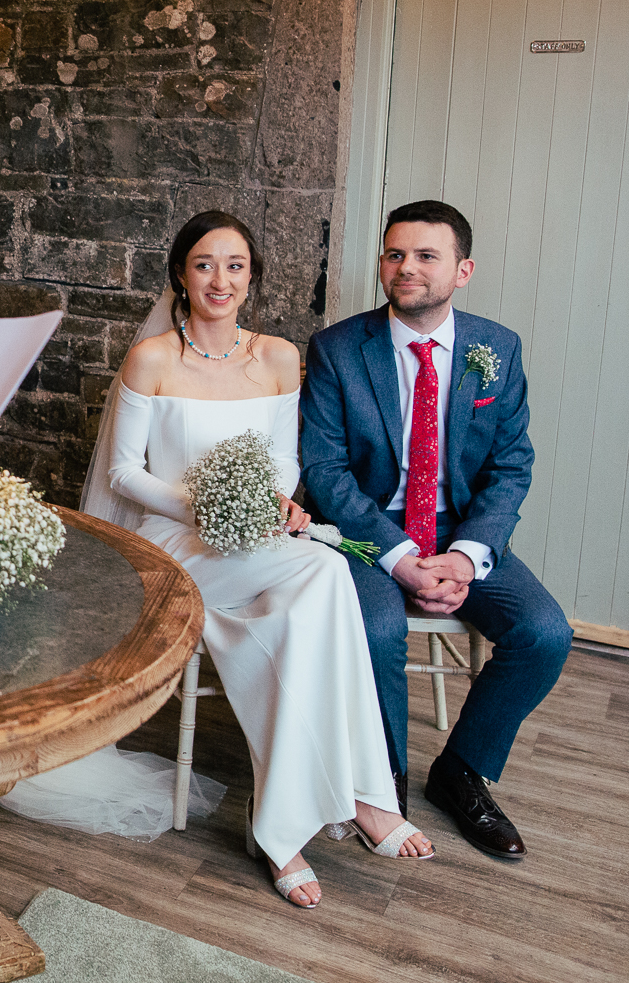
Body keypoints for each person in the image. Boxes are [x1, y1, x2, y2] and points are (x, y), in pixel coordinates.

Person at [79, 211, 431, 909]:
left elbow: (284, 459)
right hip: (175, 539)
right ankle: (360, 798)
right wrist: (208, 507)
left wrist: (271, 502)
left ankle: (287, 824)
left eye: (235, 265)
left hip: (255, 538)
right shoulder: (152, 358)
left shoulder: (275, 357)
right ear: (181, 274)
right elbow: (123, 475)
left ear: (251, 278)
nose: (220, 279)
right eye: (205, 264)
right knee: (327, 575)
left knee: (304, 607)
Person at [301, 199, 572, 860]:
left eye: (426, 256)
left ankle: (461, 771)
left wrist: (467, 556)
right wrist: (397, 557)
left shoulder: (496, 349)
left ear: (463, 269)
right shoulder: (338, 349)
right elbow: (327, 472)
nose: (406, 267)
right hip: (367, 531)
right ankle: (382, 781)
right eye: (395, 253)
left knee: (545, 632)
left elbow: (512, 466)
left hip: (461, 528)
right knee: (377, 628)